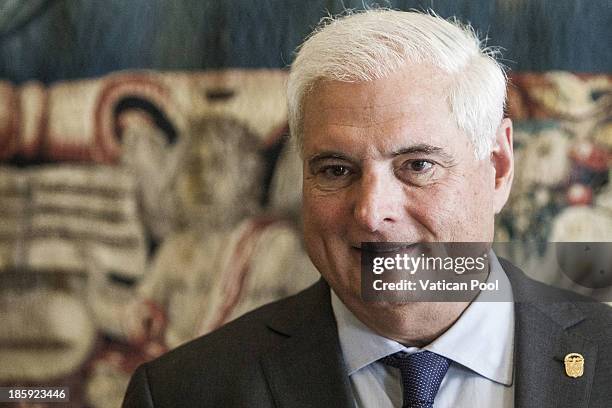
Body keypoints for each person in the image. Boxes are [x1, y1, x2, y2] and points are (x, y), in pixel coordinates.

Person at [122, 10, 612, 407]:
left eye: (417, 165)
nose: (372, 213)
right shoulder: (181, 393)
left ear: (499, 167)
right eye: (336, 170)